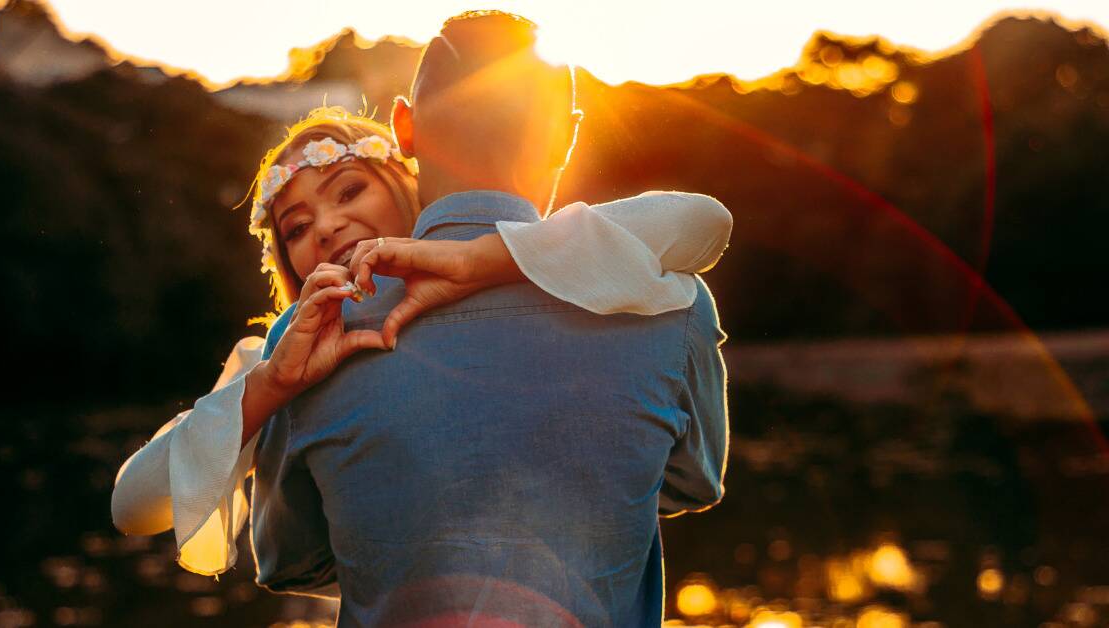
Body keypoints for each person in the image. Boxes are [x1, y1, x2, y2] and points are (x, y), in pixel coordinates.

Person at [234, 10, 730, 626]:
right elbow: (693, 483)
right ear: (566, 136)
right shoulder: (667, 298)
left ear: (404, 128)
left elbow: (290, 560)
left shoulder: (309, 340)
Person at [110, 100, 731, 575]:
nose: (326, 227)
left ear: (407, 186)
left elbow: (701, 220)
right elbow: (133, 508)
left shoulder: (545, 276)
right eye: (296, 227)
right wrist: (273, 385)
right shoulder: (277, 357)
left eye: (349, 191)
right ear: (288, 261)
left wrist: (482, 261)